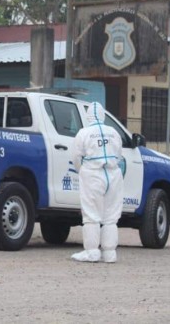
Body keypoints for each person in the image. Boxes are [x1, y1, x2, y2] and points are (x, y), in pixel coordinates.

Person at [71, 102, 123, 263]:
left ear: (88, 116)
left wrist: (83, 171)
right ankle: (110, 253)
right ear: (103, 115)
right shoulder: (114, 132)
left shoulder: (83, 133)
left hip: (93, 175)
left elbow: (76, 157)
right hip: (113, 174)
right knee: (111, 216)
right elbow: (119, 155)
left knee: (91, 215)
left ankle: (92, 252)